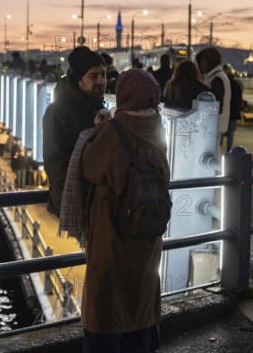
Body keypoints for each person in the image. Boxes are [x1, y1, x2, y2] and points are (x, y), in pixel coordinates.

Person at [81, 69, 169, 353]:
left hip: (113, 232)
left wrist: (97, 130)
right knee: (141, 298)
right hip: (146, 234)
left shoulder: (114, 130)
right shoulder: (158, 129)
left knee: (107, 303)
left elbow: (90, 167)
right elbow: (163, 176)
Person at [43, 46, 107, 216]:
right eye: (94, 76)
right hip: (75, 200)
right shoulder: (57, 112)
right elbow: (55, 164)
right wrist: (86, 192)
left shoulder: (97, 106)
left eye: (103, 74)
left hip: (97, 198)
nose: (101, 81)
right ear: (79, 79)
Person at [196, 47, 231, 142]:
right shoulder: (216, 76)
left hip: (214, 128)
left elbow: (216, 106)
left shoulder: (217, 79)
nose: (202, 64)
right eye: (201, 62)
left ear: (212, 62)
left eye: (205, 61)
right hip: (215, 127)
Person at [223, 63, 244, 151]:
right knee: (230, 132)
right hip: (233, 111)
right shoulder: (236, 82)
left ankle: (223, 149)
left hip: (226, 110)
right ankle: (229, 150)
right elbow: (239, 97)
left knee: (222, 131)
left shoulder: (225, 82)